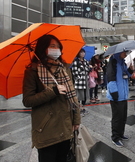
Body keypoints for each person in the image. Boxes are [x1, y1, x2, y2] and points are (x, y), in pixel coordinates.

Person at [22, 34, 81, 162]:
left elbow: (73, 97)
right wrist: (53, 91)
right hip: (46, 130)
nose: (56, 49)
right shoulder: (32, 71)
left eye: (58, 46)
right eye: (52, 46)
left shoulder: (64, 69)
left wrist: (76, 119)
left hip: (65, 127)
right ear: (43, 48)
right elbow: (28, 100)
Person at [106, 50, 134, 148]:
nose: (126, 54)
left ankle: (121, 134)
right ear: (119, 52)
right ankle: (115, 137)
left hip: (124, 95)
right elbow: (110, 78)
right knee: (117, 118)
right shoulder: (113, 62)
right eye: (124, 52)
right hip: (116, 96)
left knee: (123, 117)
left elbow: (127, 76)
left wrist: (130, 70)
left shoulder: (123, 63)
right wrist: (114, 94)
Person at [71, 48, 91, 115]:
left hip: (85, 80)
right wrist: (78, 78)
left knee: (85, 95)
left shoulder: (85, 61)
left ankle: (83, 108)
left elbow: (87, 69)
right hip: (80, 81)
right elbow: (74, 72)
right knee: (80, 95)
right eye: (81, 52)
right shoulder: (76, 61)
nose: (83, 54)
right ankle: (79, 109)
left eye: (83, 52)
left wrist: (89, 68)